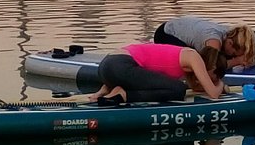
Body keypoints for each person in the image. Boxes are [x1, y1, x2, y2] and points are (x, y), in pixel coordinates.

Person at [92, 42, 226, 105]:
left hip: (106, 67)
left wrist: (101, 91)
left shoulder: (186, 59)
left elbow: (196, 88)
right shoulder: (193, 57)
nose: (214, 80)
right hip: (120, 66)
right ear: (213, 67)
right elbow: (213, 94)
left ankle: (111, 90)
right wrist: (220, 85)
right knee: (178, 89)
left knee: (171, 86)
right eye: (216, 76)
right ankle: (124, 94)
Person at [153, 16, 255, 73]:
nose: (234, 56)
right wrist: (237, 61)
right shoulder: (213, 40)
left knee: (220, 57)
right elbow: (210, 67)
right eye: (235, 54)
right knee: (196, 61)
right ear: (230, 43)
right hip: (166, 34)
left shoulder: (231, 34)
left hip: (185, 27)